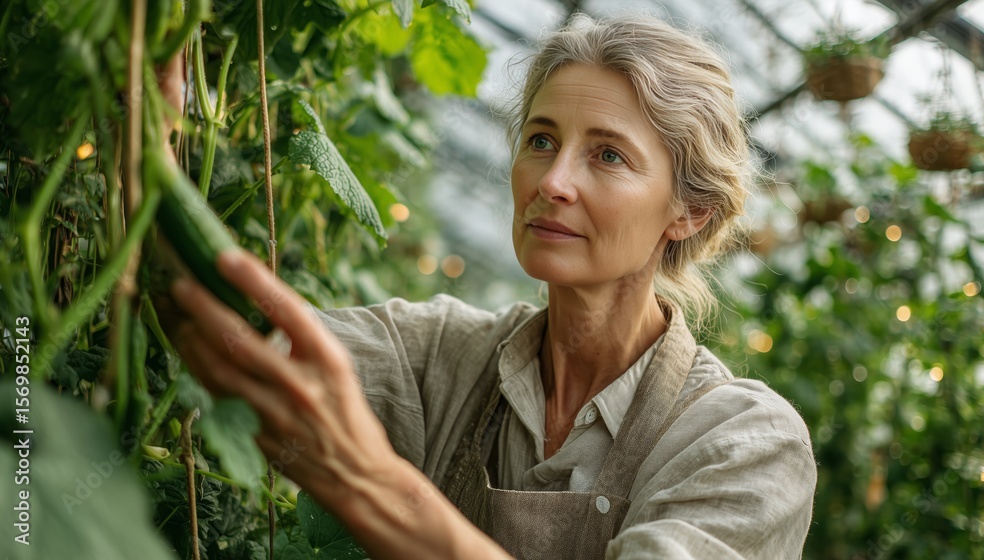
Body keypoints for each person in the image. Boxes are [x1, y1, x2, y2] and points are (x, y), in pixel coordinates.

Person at [167, 14, 817, 560]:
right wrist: (152, 142)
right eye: (541, 139)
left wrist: (374, 487)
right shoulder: (443, 353)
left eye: (608, 154)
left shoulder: (744, 443)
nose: (552, 181)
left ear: (690, 211)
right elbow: (234, 330)